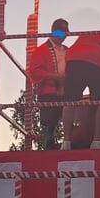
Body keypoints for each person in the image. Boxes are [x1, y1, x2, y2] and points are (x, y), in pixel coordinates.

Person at [26, 18, 68, 150]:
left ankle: (65, 144)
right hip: (48, 91)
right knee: (49, 123)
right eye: (62, 32)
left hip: (66, 90)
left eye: (66, 32)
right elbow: (34, 71)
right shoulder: (41, 50)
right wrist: (55, 77)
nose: (65, 35)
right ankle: (48, 146)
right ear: (54, 32)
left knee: (67, 118)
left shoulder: (67, 49)